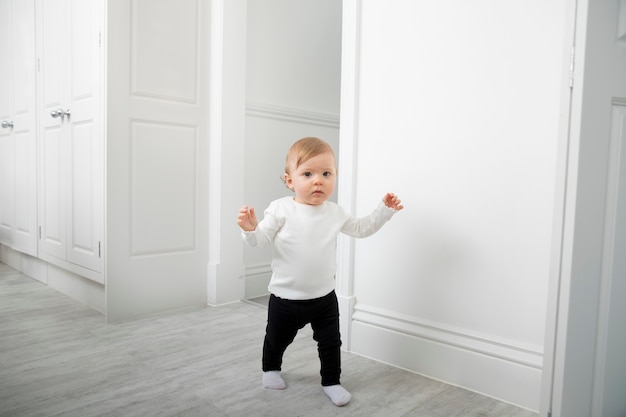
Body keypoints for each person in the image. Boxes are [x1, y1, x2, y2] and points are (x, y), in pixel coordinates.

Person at [237, 137, 403, 407]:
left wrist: (383, 211)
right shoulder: (281, 209)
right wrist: (250, 229)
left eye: (326, 174)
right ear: (290, 180)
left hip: (324, 298)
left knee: (330, 343)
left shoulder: (334, 212)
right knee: (277, 339)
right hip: (285, 299)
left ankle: (332, 381)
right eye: (308, 174)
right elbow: (260, 240)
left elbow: (362, 229)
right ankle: (270, 369)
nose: (318, 180)